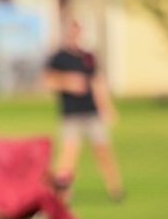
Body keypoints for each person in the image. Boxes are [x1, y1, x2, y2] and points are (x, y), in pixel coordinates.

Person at [45, 14, 123, 201]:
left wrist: (107, 108)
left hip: (91, 112)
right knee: (68, 156)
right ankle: (63, 194)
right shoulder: (59, 57)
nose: (74, 34)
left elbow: (98, 83)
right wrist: (68, 82)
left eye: (77, 30)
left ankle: (115, 189)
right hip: (71, 113)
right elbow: (48, 81)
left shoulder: (88, 57)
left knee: (104, 152)